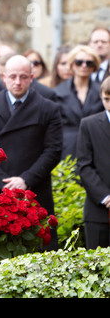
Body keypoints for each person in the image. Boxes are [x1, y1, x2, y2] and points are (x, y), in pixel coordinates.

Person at [0, 55, 63, 251]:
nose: (18, 82)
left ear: (32, 78)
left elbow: (53, 150)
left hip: (34, 190)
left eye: (23, 77)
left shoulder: (48, 108)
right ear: (3, 77)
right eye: (12, 76)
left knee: (37, 254)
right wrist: (4, 185)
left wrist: (25, 180)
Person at [76, 76, 110, 249]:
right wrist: (105, 196)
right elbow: (84, 165)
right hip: (98, 211)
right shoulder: (89, 125)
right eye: (106, 99)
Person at [54, 45, 103, 159]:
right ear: (72, 65)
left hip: (96, 147)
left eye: (89, 63)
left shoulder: (102, 92)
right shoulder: (58, 92)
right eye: (79, 62)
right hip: (67, 149)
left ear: (94, 66)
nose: (84, 66)